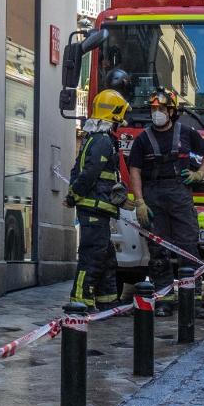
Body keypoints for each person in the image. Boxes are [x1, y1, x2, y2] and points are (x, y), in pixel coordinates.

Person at [128, 87, 204, 316]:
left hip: (179, 193)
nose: (156, 112)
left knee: (187, 246)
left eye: (160, 108)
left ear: (171, 111)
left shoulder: (186, 133)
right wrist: (139, 202)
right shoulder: (142, 139)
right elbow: (135, 170)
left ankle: (192, 299)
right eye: (153, 108)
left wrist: (200, 174)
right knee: (159, 249)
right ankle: (164, 298)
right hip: (153, 196)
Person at [66, 89, 132, 312]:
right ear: (113, 114)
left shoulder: (93, 139)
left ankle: (108, 300)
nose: (122, 121)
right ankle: (80, 300)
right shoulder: (103, 141)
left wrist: (73, 194)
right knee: (92, 256)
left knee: (106, 257)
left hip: (99, 207)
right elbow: (90, 172)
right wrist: (74, 195)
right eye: (120, 115)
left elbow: (78, 170)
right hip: (94, 208)